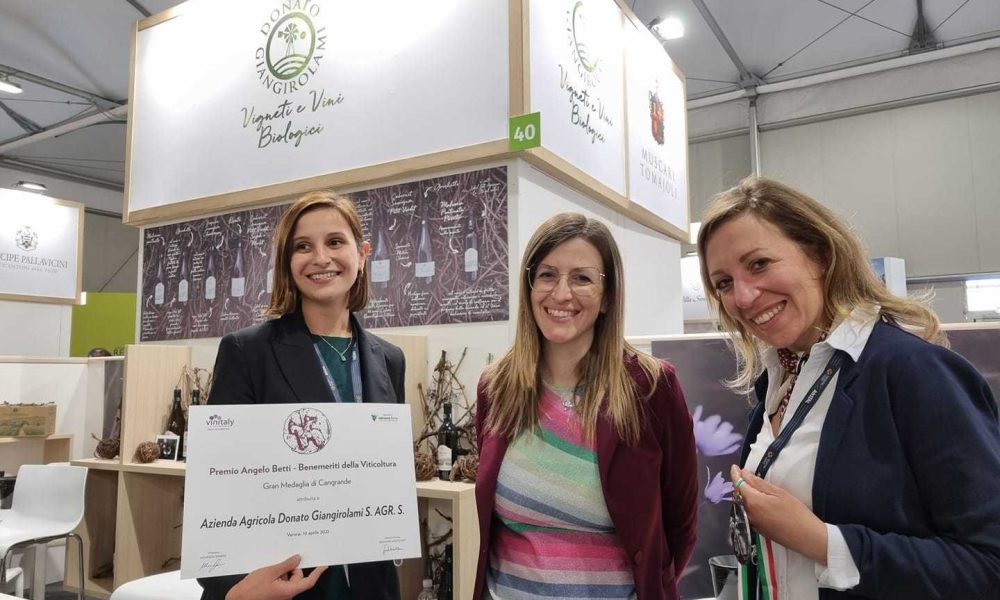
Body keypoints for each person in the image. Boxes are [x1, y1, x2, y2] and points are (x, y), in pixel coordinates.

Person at [697, 176, 1000, 600]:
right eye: (724, 283)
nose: (743, 297)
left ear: (820, 255)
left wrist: (823, 542)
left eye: (759, 263)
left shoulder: (913, 371)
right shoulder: (778, 378)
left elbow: (988, 564)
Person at [474, 213, 698, 600]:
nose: (562, 294)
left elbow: (681, 526)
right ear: (529, 286)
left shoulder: (651, 387)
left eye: (582, 278)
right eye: (547, 275)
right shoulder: (496, 387)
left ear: (608, 296)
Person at [198, 191, 405, 600]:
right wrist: (232, 590)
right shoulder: (247, 351)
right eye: (303, 246)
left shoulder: (390, 359)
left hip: (370, 585)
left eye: (335, 241)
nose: (320, 258)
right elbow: (217, 486)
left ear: (362, 254)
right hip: (278, 585)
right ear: (287, 262)